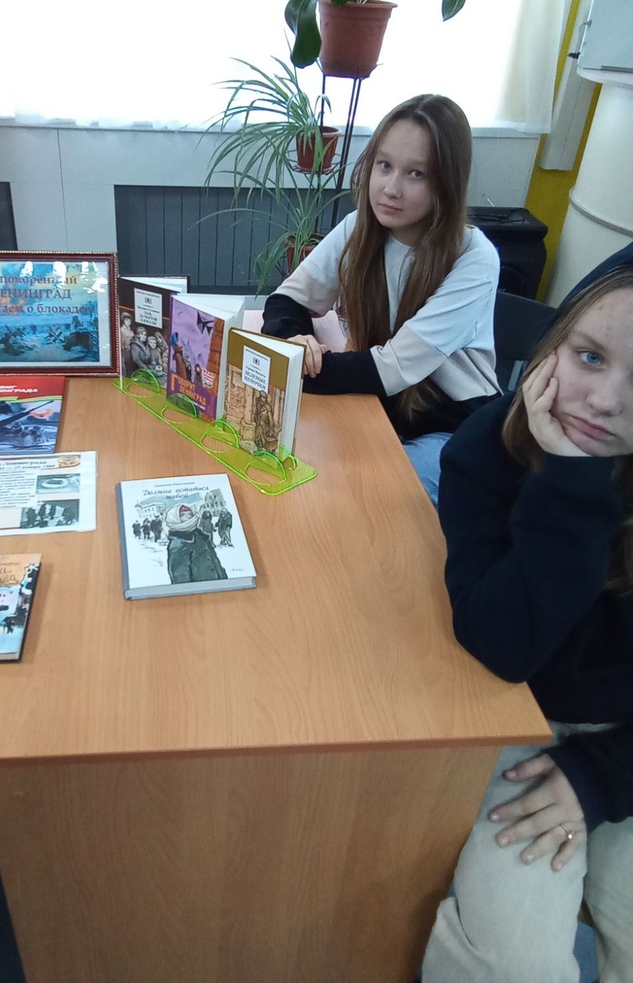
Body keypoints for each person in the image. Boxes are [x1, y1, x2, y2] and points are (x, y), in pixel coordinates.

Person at [420, 243, 633, 983]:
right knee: (513, 962)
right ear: (553, 347)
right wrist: (570, 485)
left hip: (623, 744)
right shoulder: (488, 448)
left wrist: (602, 776)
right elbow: (501, 645)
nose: (603, 401)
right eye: (590, 357)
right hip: (514, 717)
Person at [261, 93, 500, 505]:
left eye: (416, 174)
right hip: (374, 405)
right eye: (385, 165)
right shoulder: (359, 227)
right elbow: (287, 300)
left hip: (449, 427)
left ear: (447, 183)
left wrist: (297, 367)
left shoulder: (474, 257)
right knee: (294, 474)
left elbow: (393, 368)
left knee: (370, 500)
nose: (391, 189)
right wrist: (296, 341)